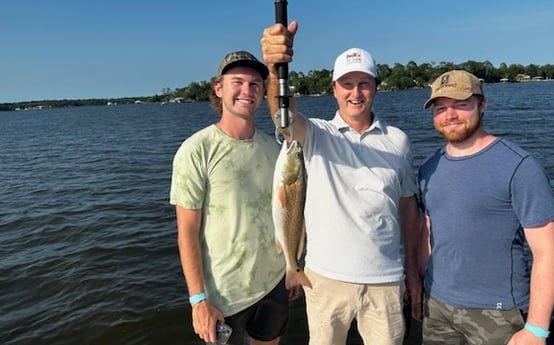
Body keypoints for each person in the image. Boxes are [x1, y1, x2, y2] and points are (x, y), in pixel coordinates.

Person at [261, 22, 422, 345]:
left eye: (364, 83)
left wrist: (412, 270)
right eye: (346, 84)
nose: (356, 92)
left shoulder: (399, 141)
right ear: (334, 89)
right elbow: (282, 115)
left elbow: (407, 208)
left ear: (376, 87)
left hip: (386, 283)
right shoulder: (316, 134)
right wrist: (274, 66)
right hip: (324, 280)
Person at [417, 70, 554, 345]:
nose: (450, 115)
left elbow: (548, 251)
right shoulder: (428, 168)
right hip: (436, 305)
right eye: (441, 108)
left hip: (498, 311)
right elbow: (428, 230)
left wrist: (536, 328)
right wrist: (418, 282)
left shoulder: (520, 167)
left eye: (461, 105)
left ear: (482, 106)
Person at [170, 50, 297, 345]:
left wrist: (292, 267)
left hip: (274, 282)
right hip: (223, 295)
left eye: (255, 85)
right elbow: (186, 233)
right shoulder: (196, 150)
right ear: (219, 88)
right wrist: (198, 299)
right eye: (237, 82)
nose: (246, 91)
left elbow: (285, 210)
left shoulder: (275, 150)